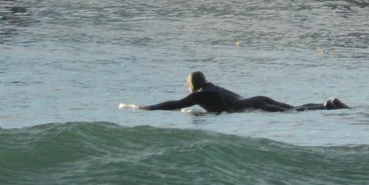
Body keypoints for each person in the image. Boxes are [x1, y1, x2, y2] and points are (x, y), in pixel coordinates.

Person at [137, 71, 349, 113]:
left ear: (193, 85)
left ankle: (327, 106)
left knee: (293, 113)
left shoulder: (201, 94)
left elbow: (176, 104)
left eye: (188, 84)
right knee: (294, 109)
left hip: (254, 105)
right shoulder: (213, 88)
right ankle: (327, 104)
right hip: (257, 99)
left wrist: (149, 107)